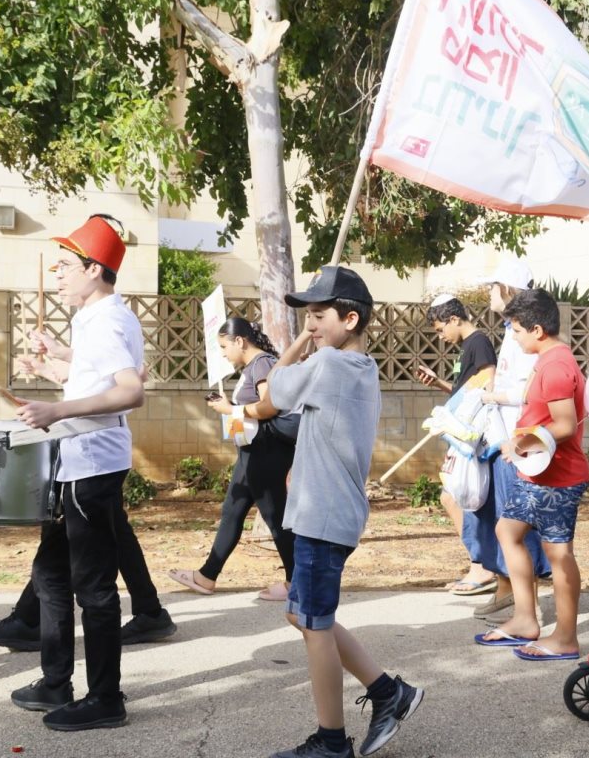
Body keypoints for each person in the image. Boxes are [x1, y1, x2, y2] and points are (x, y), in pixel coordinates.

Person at [264, 266, 423, 758]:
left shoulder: (332, 366)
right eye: (307, 315)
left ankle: (332, 743)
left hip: (325, 514)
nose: (310, 325)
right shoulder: (355, 366)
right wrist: (313, 339)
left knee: (313, 625)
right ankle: (387, 692)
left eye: (318, 315)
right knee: (306, 617)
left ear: (349, 318)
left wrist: (294, 346)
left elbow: (273, 393)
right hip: (326, 511)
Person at [7, 214, 147, 731]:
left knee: (93, 588)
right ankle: (55, 681)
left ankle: (106, 698)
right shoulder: (99, 317)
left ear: (94, 269)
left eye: (66, 267)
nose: (59, 276)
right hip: (81, 461)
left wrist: (55, 410)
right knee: (49, 572)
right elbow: (95, 378)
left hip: (93, 465)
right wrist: (55, 371)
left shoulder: (107, 319)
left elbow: (131, 390)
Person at [476, 287, 589, 661]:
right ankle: (525, 619)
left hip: (558, 476)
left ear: (537, 329)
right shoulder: (548, 359)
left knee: (559, 555)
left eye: (517, 329)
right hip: (538, 474)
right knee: (507, 531)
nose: (514, 335)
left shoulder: (556, 366)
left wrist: (520, 443)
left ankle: (566, 638)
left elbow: (565, 424)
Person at [169, 316, 297, 601]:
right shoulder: (254, 366)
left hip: (266, 452)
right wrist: (232, 409)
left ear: (240, 341)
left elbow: (269, 407)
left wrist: (230, 410)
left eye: (225, 346)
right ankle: (207, 576)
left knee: (276, 518)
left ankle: (297, 584)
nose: (224, 353)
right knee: (233, 511)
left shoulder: (262, 363)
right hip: (251, 452)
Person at [474, 261, 552, 624]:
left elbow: (531, 390)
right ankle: (512, 593)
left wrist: (497, 397)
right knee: (505, 523)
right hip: (506, 440)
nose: (489, 294)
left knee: (517, 526)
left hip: (517, 444)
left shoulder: (526, 337)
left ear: (507, 289)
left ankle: (528, 606)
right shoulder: (510, 332)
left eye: (493, 287)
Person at [0, 517, 176, 649]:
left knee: (66, 517)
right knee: (110, 517)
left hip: (88, 456)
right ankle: (150, 611)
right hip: (100, 456)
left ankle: (30, 620)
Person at [415, 294, 497, 596]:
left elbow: (486, 383)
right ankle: (481, 563)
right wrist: (439, 383)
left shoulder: (478, 342)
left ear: (454, 319)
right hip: (463, 433)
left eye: (439, 329)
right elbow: (467, 391)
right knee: (454, 495)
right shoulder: (469, 346)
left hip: (471, 438)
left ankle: (481, 565)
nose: (441, 337)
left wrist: (456, 421)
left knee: (458, 496)